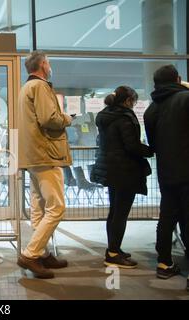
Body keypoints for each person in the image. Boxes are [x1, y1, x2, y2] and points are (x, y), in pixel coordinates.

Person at [17, 51, 73, 279]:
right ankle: (31, 254)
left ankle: (41, 252)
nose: (50, 66)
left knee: (39, 208)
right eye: (48, 63)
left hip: (33, 155)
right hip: (46, 153)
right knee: (57, 207)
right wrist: (68, 118)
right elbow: (50, 119)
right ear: (42, 65)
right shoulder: (40, 87)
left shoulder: (25, 88)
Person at [91, 86, 153, 268]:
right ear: (127, 101)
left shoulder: (105, 115)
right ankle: (113, 254)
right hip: (125, 171)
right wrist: (151, 150)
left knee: (115, 211)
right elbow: (132, 146)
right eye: (133, 101)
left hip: (111, 170)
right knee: (121, 213)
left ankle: (113, 249)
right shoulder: (125, 117)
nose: (134, 105)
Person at [144, 65, 189, 280]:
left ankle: (163, 263)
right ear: (178, 79)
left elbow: (153, 145)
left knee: (167, 216)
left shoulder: (151, 110)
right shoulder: (186, 98)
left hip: (166, 171)